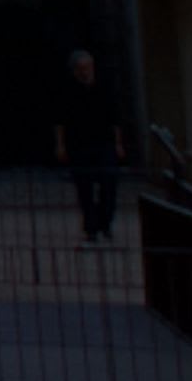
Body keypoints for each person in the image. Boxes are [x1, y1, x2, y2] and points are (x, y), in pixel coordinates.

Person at [62, 44, 124, 241]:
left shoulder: (104, 87)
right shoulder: (69, 91)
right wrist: (61, 145)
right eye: (82, 68)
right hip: (79, 144)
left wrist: (118, 144)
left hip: (104, 143)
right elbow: (60, 120)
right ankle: (91, 228)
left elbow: (115, 119)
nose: (86, 71)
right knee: (85, 188)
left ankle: (105, 223)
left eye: (89, 67)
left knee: (109, 185)